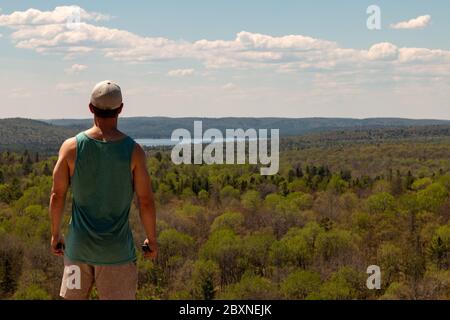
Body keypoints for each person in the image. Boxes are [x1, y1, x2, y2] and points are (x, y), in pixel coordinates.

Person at [49, 80, 157, 300]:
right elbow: (145, 201)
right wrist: (151, 240)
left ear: (90, 108)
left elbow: (57, 195)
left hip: (77, 252)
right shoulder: (134, 151)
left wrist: (55, 235)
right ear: (121, 109)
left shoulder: (71, 147)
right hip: (116, 253)